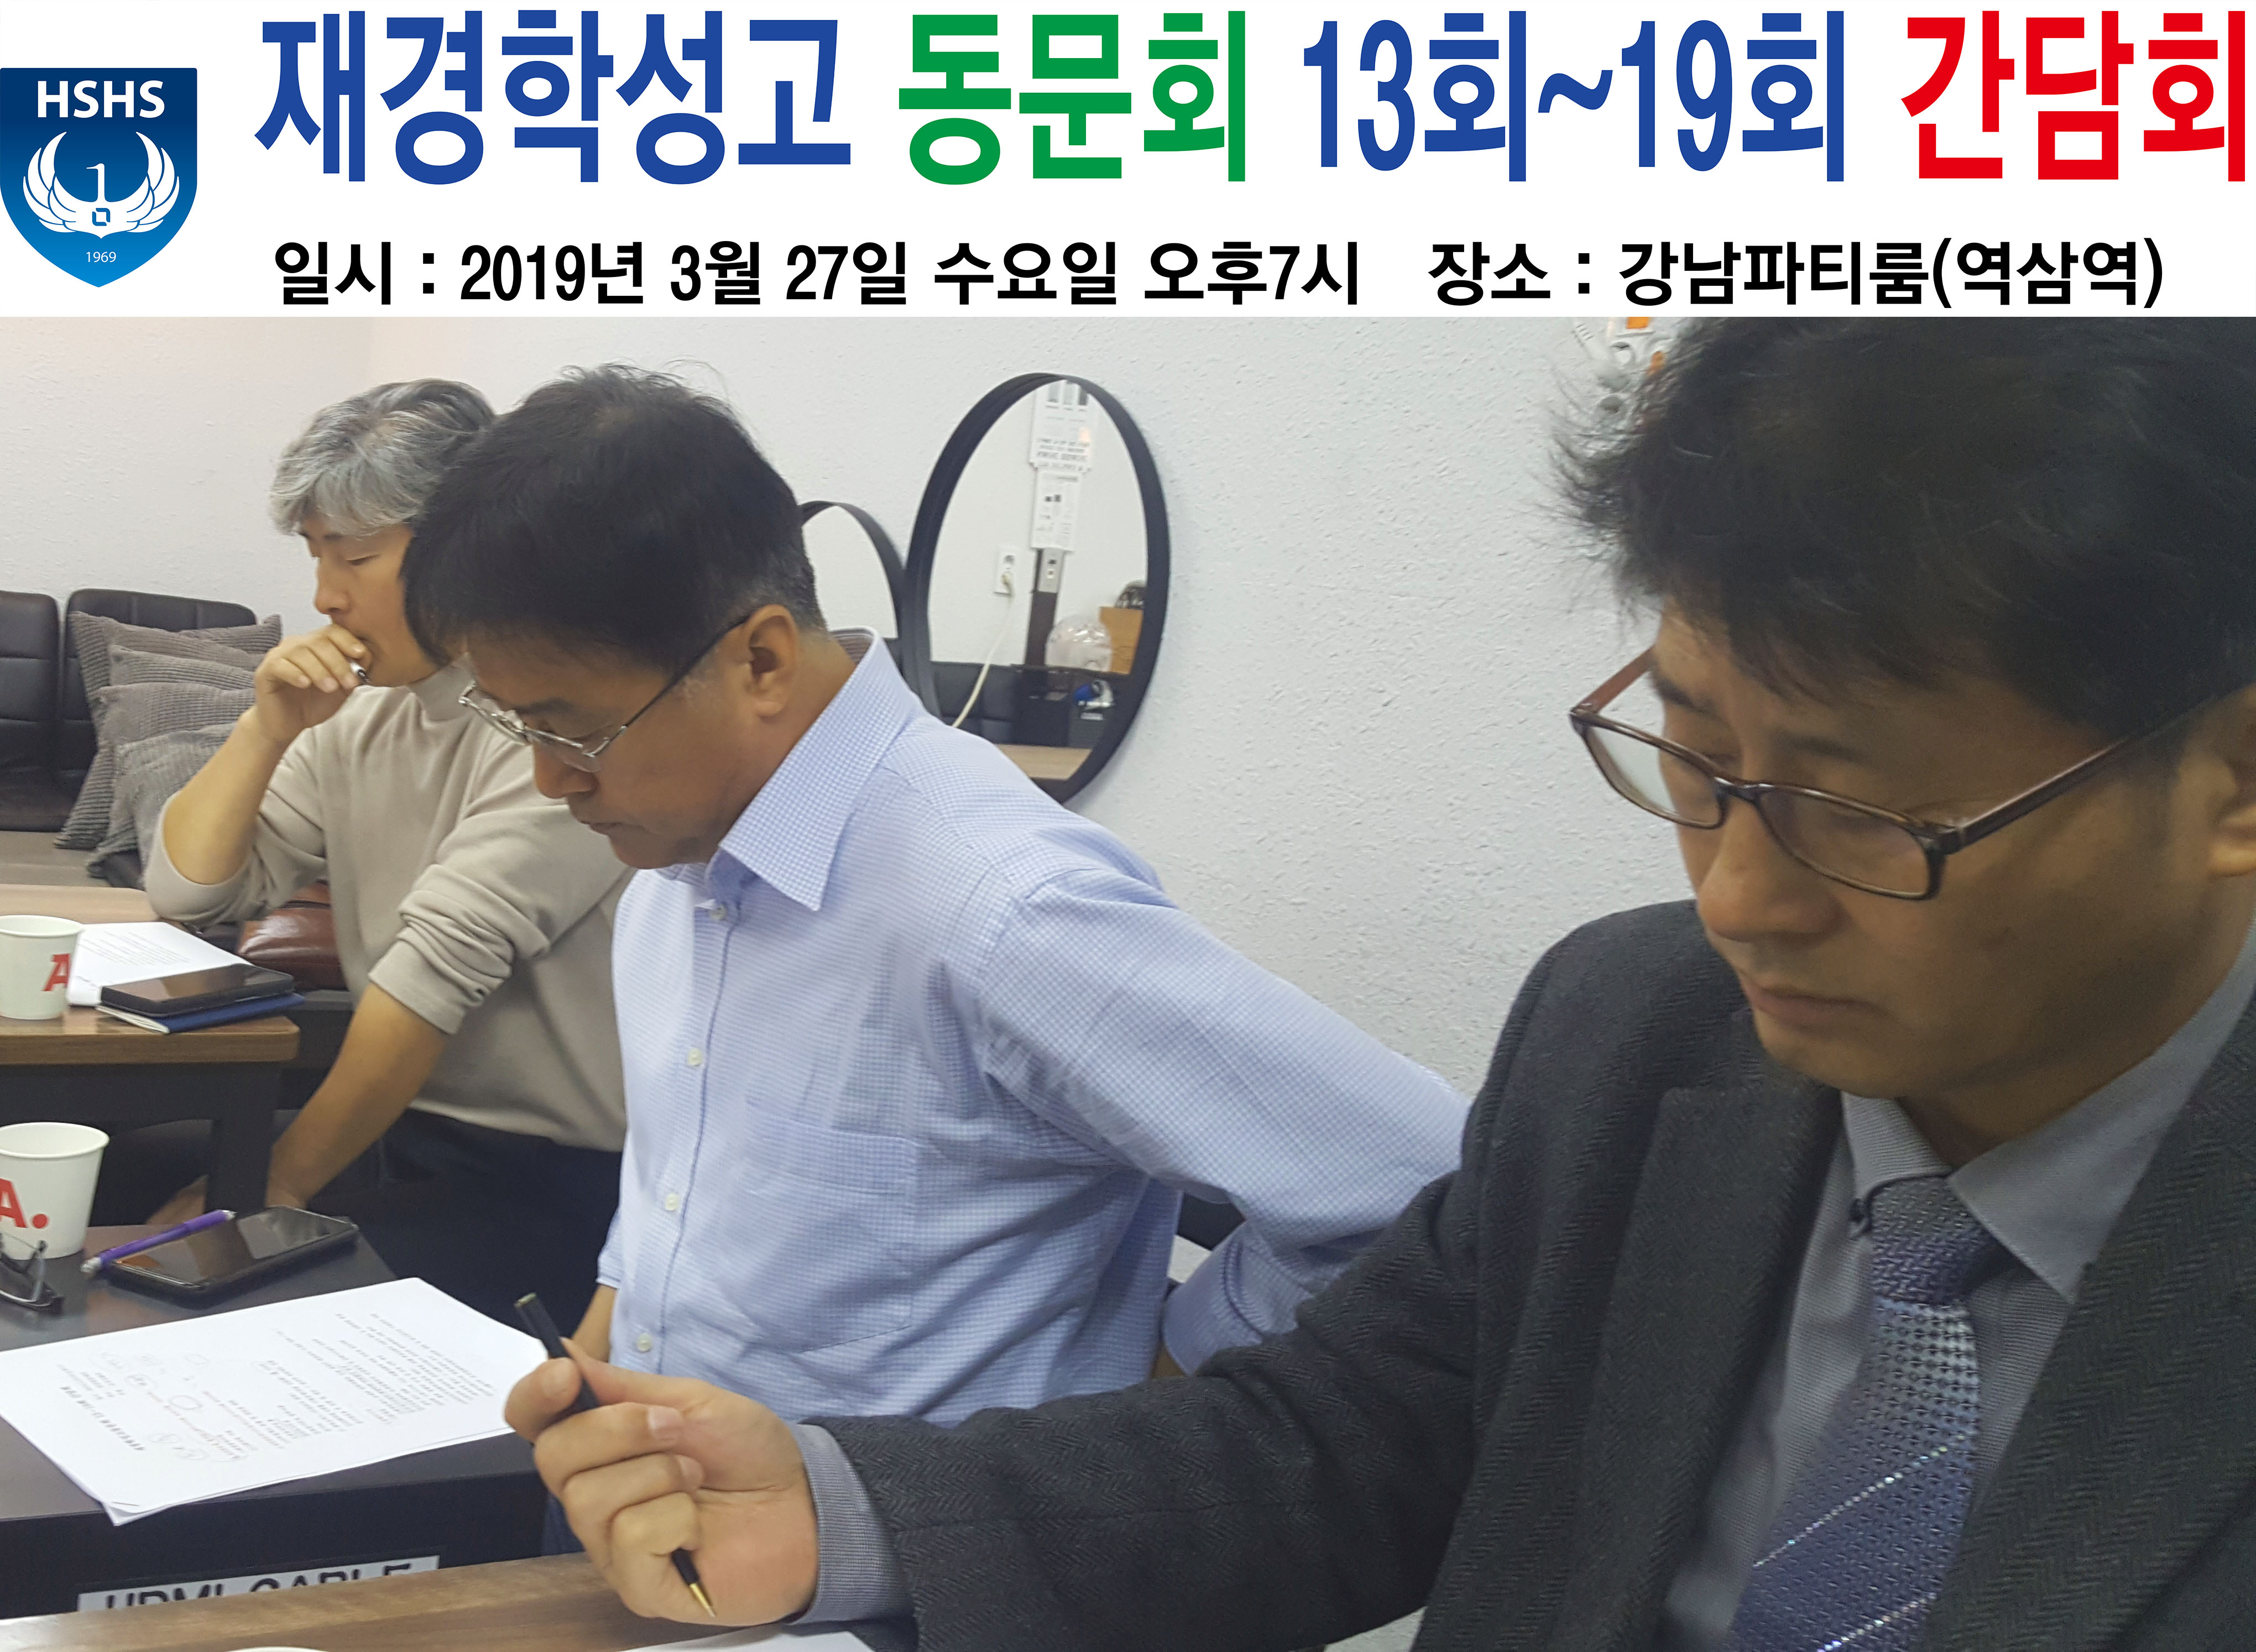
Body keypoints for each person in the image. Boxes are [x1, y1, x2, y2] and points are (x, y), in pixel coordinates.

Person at [507, 318, 2256, 1650]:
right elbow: (1335, 1444)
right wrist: (849, 1508)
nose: (1736, 898)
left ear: (2231, 778)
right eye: (1696, 758)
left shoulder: (988, 891)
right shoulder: (1634, 1038)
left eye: (1864, 813)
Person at [400, 365, 1467, 1431]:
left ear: (760, 660)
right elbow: (672, 1208)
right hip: (653, 1495)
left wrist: (1165, 1392)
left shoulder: (1005, 910)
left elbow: (1429, 1184)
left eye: (573, 728)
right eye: (517, 727)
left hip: (900, 1535)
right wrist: (590, 1386)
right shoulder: (671, 873)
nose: (550, 777)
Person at [145, 379, 631, 1326]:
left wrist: (271, 1191)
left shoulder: (557, 726)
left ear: (471, 547)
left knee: (223, 1306)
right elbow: (190, 892)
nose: (325, 595)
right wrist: (265, 727)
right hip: (398, 1140)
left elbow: (429, 981)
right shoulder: (357, 716)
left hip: (555, 1185)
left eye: (356, 557)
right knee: (120, 1189)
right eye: (316, 554)